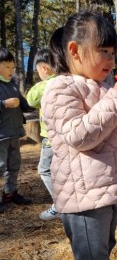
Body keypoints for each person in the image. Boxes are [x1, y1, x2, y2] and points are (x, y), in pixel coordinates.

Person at [41, 11, 117, 260]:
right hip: (83, 199)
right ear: (74, 50)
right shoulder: (59, 88)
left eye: (113, 52)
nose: (112, 60)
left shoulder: (103, 87)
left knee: (105, 249)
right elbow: (79, 136)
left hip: (105, 190)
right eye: (103, 51)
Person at [0, 47, 34, 213]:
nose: (11, 71)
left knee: (13, 166)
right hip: (1, 136)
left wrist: (33, 103)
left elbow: (24, 103)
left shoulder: (12, 85)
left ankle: (10, 193)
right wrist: (4, 104)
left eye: (12, 68)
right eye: (7, 67)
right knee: (0, 167)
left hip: (14, 133)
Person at [26, 48, 58, 220]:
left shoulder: (46, 85)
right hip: (66, 137)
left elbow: (30, 99)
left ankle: (59, 204)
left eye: (38, 71)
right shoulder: (68, 80)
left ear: (45, 69)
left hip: (51, 138)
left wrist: (41, 83)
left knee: (44, 169)